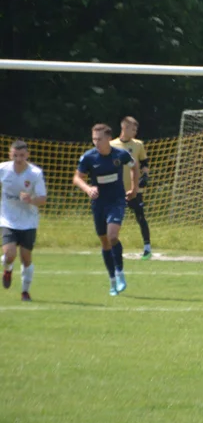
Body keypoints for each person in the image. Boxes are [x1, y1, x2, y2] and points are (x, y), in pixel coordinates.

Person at [74, 124, 139, 296]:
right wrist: (88, 189)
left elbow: (134, 166)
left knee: (112, 236)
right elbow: (77, 178)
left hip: (116, 201)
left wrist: (134, 188)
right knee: (104, 242)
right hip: (99, 204)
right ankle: (112, 281)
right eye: (94, 139)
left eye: (99, 139)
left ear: (109, 138)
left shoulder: (121, 154)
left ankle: (119, 273)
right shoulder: (89, 157)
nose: (96, 142)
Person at [1, 140, 47, 302]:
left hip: (29, 221)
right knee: (9, 254)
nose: (18, 159)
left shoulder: (35, 173)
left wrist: (31, 199)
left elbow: (43, 199)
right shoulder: (3, 169)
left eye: (22, 155)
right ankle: (7, 269)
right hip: (8, 219)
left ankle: (25, 292)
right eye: (15, 155)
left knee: (26, 258)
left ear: (27, 155)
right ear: (10, 154)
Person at [110, 116, 153, 259]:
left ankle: (147, 248)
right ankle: (112, 246)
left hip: (134, 189)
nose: (135, 132)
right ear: (124, 128)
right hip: (116, 189)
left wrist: (145, 176)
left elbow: (144, 163)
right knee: (114, 219)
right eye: (133, 129)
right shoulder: (112, 145)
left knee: (140, 216)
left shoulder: (138, 144)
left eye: (136, 129)